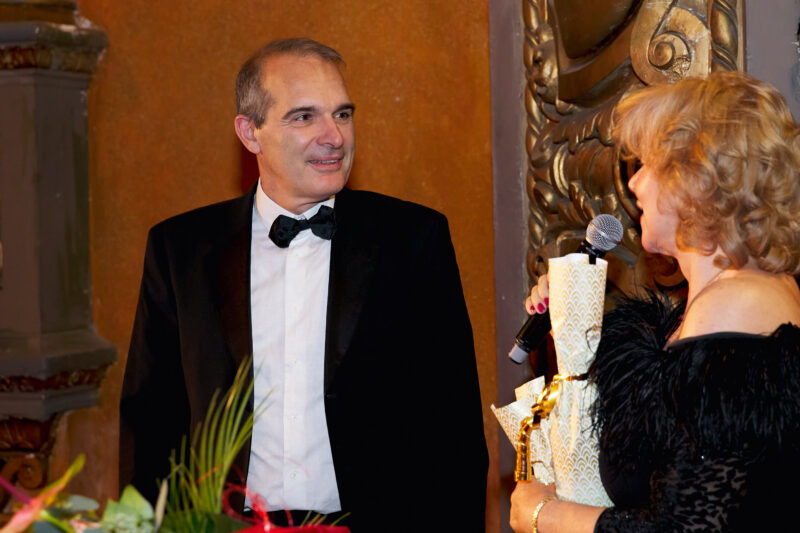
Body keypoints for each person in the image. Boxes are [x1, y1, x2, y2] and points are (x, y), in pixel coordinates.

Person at [119, 38, 488, 532]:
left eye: (343, 114)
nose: (334, 136)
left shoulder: (413, 240)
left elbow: (452, 427)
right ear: (250, 133)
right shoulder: (180, 250)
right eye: (304, 117)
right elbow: (151, 422)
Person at [511, 71, 800, 532]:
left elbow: (687, 526)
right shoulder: (704, 309)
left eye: (647, 165)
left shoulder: (740, 302)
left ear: (696, 179)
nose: (635, 185)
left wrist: (542, 515)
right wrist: (568, 321)